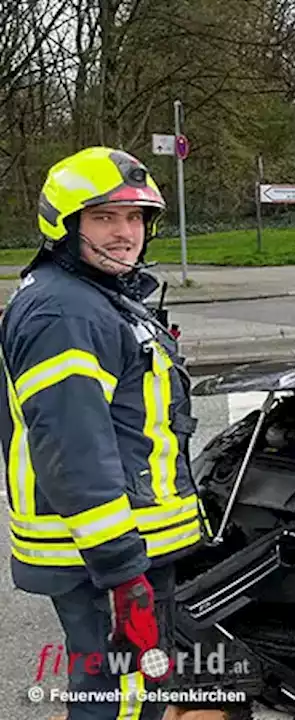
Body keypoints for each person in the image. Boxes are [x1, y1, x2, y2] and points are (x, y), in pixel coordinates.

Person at [0, 147, 208, 719]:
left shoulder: (93, 296)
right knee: (124, 700)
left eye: (136, 217)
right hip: (105, 559)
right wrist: (123, 572)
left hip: (119, 552)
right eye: (105, 218)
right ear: (64, 226)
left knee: (115, 691)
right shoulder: (65, 313)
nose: (126, 234)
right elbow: (74, 451)